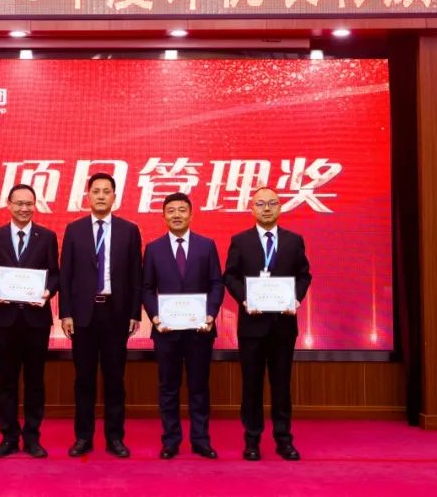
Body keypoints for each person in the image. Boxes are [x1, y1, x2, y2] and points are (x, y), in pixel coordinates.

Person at [222, 186, 311, 462]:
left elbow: (304, 275)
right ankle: (252, 441)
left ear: (280, 207)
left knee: (281, 385)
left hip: (283, 326)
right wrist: (245, 299)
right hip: (252, 326)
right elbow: (230, 276)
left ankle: (284, 440)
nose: (267, 208)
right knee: (252, 385)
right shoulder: (240, 241)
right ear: (252, 209)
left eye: (272, 203)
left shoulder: (294, 241)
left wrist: (295, 298)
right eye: (260, 204)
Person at [59, 172, 142, 458]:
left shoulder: (129, 230)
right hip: (83, 315)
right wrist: (66, 313)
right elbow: (66, 274)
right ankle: (83, 437)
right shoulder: (74, 229)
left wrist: (135, 313)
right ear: (88, 196)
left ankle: (115, 438)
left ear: (114, 197)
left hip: (116, 314)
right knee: (84, 378)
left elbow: (136, 276)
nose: (101, 196)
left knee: (114, 378)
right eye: (96, 191)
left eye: (107, 191)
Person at [0, 184, 60, 459]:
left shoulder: (47, 237)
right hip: (5, 320)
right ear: (9, 205)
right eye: (19, 203)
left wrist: (47, 292)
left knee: (35, 381)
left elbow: (55, 274)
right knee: (7, 381)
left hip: (36, 320)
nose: (25, 208)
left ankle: (32, 438)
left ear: (35, 205)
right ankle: (9, 437)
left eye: (29, 204)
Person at [141, 192, 223, 459]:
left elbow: (216, 283)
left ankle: (201, 440)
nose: (176, 214)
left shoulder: (206, 245)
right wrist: (155, 317)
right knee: (168, 387)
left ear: (191, 214)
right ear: (163, 216)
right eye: (171, 210)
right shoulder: (153, 248)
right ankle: (171, 440)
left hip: (200, 330)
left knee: (199, 387)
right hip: (166, 332)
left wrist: (210, 315)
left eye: (182, 210)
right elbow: (146, 288)